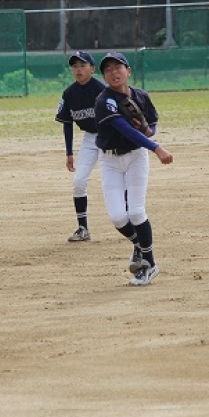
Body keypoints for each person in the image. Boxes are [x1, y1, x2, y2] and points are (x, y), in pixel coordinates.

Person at [94, 52, 173, 286]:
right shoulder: (104, 101)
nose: (113, 72)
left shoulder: (142, 96)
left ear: (128, 71)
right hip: (109, 161)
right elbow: (123, 128)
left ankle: (149, 264)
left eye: (118, 67)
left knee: (136, 212)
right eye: (108, 70)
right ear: (104, 76)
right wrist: (156, 147)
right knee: (118, 217)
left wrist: (149, 132)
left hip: (136, 157)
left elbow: (152, 123)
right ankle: (139, 246)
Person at [55, 51, 107, 242]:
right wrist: (69, 153)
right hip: (90, 139)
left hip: (110, 137)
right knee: (78, 182)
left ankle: (130, 220)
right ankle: (83, 228)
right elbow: (67, 123)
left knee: (116, 182)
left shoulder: (102, 90)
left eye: (82, 65)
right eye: (75, 66)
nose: (78, 69)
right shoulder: (69, 93)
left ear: (92, 69)